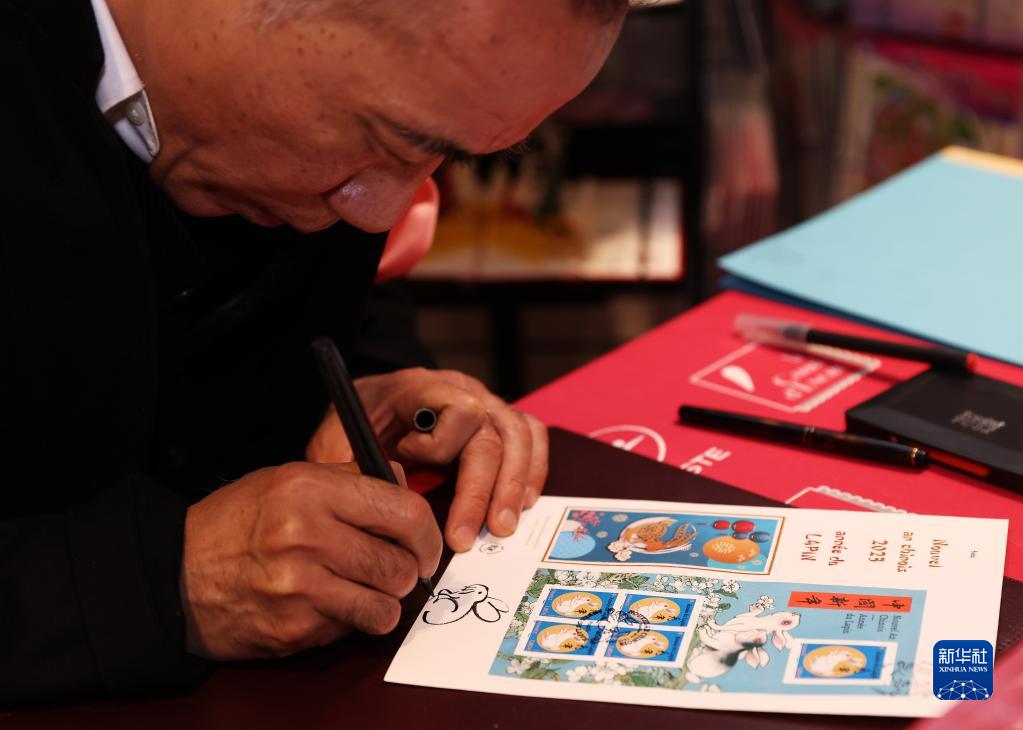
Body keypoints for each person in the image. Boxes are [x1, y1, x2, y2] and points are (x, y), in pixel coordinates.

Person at [0, 0, 626, 706]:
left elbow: (329, 301)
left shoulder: (311, 151)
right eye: (392, 139)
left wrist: (363, 384)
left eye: (443, 158)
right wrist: (159, 584)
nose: (380, 214)